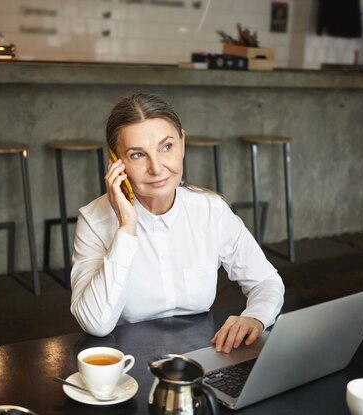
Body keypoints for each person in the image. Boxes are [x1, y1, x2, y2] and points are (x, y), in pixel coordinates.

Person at [70, 93, 284, 353]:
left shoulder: (210, 210)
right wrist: (126, 229)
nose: (157, 167)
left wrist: (256, 317)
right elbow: (95, 323)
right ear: (117, 162)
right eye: (138, 154)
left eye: (166, 147)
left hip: (201, 356)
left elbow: (266, 281)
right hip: (129, 360)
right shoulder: (94, 220)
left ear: (182, 143)